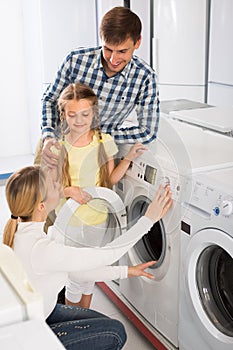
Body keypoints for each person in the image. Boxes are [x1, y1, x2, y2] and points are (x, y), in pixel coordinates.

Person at [3, 165, 172, 350]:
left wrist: (126, 271)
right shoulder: (41, 249)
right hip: (31, 335)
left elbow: (76, 272)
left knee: (103, 322)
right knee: (115, 333)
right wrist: (148, 220)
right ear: (41, 206)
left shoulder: (23, 233)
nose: (59, 186)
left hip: (40, 313)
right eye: (53, 186)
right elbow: (107, 255)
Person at [51, 82, 148, 308]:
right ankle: (75, 323)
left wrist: (130, 157)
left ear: (93, 113)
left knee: (89, 275)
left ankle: (84, 319)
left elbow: (110, 179)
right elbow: (48, 191)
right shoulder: (58, 146)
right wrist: (69, 191)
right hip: (69, 223)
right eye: (72, 114)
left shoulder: (104, 142)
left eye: (85, 114)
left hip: (97, 220)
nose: (79, 120)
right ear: (63, 115)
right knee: (76, 278)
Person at [37, 6, 159, 168]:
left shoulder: (145, 77)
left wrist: (98, 136)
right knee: (38, 193)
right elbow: (50, 99)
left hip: (94, 157)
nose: (113, 59)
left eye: (122, 51)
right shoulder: (76, 60)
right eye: (108, 49)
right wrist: (48, 137)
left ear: (138, 42)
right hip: (55, 147)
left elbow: (148, 131)